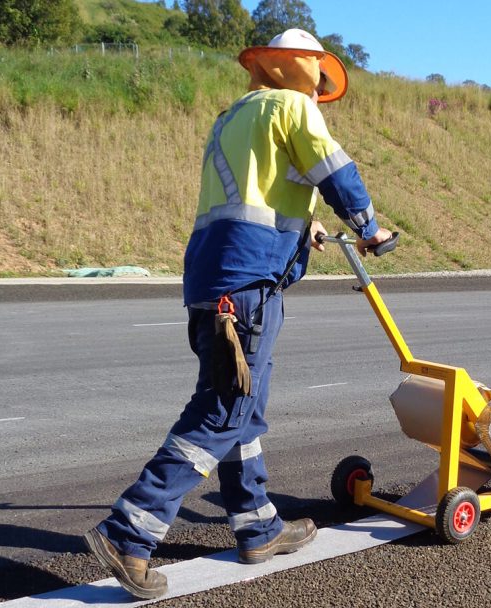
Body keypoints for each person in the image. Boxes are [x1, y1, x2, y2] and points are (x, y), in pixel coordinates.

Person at [83, 29, 393, 600]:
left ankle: (256, 526)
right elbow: (335, 171)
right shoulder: (293, 106)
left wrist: (308, 227)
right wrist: (369, 227)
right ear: (300, 71)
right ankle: (129, 531)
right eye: (318, 78)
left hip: (212, 279)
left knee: (242, 409)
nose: (320, 90)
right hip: (245, 290)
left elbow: (261, 194)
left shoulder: (235, 117)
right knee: (222, 412)